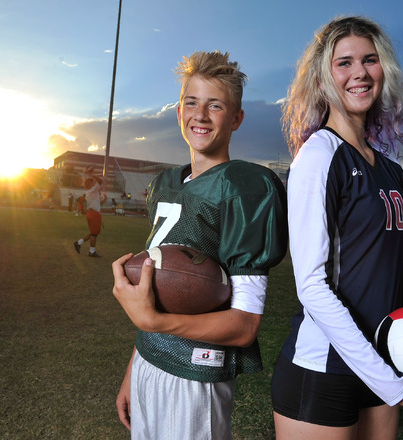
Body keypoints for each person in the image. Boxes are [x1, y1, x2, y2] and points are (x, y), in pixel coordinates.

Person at [270, 16, 403, 439]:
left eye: (370, 60)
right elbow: (310, 284)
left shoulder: (389, 170)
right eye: (343, 62)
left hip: (383, 358)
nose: (360, 72)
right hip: (324, 367)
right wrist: (397, 389)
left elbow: (401, 265)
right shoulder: (320, 155)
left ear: (385, 69)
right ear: (323, 76)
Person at [111, 51, 288, 439]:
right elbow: (161, 293)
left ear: (237, 118)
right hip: (149, 361)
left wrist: (152, 322)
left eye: (216, 105)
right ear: (178, 112)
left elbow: (243, 326)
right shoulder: (165, 184)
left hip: (195, 374)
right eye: (192, 102)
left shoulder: (244, 188)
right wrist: (135, 365)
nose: (200, 115)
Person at [73, 174, 107, 257]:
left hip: (92, 213)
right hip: (94, 214)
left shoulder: (91, 192)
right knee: (94, 234)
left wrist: (105, 199)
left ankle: (78, 243)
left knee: (93, 233)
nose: (94, 183)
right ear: (89, 184)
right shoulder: (93, 190)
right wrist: (91, 174)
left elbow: (99, 204)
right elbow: (100, 181)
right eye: (92, 182)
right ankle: (92, 252)